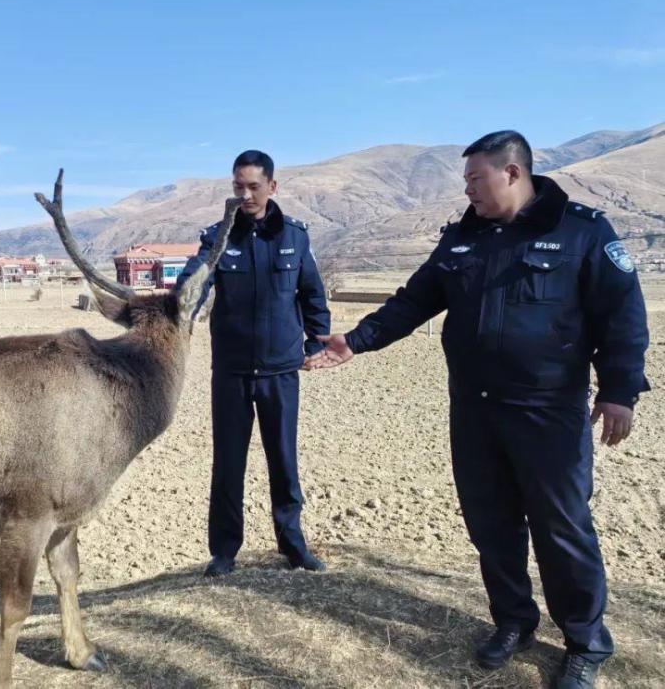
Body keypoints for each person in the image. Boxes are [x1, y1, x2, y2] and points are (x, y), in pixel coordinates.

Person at [311, 130, 649, 689]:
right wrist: (357, 340)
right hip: (475, 410)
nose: (467, 190)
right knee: (491, 526)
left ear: (512, 172)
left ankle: (585, 642)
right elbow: (415, 299)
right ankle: (514, 621)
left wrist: (620, 390)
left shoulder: (581, 232)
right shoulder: (463, 239)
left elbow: (623, 315)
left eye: (475, 178)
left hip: (549, 412)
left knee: (562, 529)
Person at [177, 149, 331, 577]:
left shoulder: (295, 238)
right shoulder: (218, 236)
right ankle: (224, 551)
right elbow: (196, 281)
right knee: (228, 462)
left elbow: (312, 295)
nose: (244, 195)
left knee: (283, 459)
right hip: (231, 371)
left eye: (253, 187)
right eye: (237, 187)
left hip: (281, 370)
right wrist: (181, 298)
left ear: (272, 187)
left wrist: (317, 343)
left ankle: (293, 545)